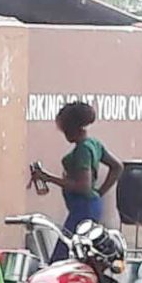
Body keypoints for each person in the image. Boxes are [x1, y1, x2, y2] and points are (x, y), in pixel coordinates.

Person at [31, 101, 123, 260]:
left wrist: (49, 178)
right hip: (88, 206)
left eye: (65, 130)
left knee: (62, 256)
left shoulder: (83, 150)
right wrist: (99, 193)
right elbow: (117, 167)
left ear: (72, 128)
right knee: (79, 254)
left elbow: (83, 186)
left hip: (83, 209)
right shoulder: (94, 144)